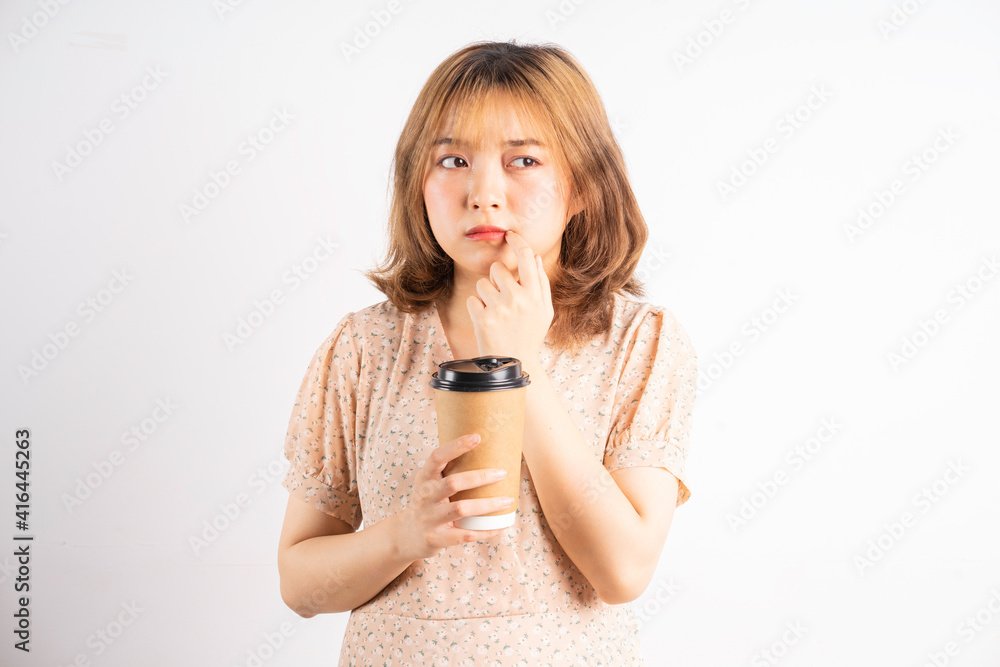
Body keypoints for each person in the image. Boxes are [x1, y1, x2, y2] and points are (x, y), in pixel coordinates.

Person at [277, 39, 698, 666]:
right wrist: (403, 535)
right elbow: (300, 583)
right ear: (418, 181)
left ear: (582, 185)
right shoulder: (363, 348)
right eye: (452, 160)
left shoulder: (640, 341)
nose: (484, 192)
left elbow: (623, 570)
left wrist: (520, 364)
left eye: (523, 160)